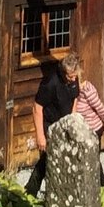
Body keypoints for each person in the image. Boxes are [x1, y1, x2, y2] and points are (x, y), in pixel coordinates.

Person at [27, 52, 80, 196]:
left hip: (65, 123)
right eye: (70, 77)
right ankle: (30, 191)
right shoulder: (50, 83)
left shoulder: (74, 78)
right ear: (64, 72)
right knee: (47, 159)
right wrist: (40, 136)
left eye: (75, 76)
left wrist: (73, 119)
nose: (73, 79)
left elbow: (75, 98)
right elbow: (37, 107)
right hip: (50, 124)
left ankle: (62, 191)